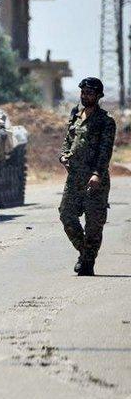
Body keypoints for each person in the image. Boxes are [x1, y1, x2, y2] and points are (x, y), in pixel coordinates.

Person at [59, 77, 116, 276]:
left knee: (94, 223)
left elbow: (105, 150)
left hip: (94, 179)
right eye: (83, 92)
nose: (85, 96)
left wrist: (97, 174)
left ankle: (87, 262)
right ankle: (85, 254)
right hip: (74, 177)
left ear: (98, 96)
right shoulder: (76, 114)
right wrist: (64, 156)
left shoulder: (106, 121)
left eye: (90, 93)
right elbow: (68, 140)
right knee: (66, 215)